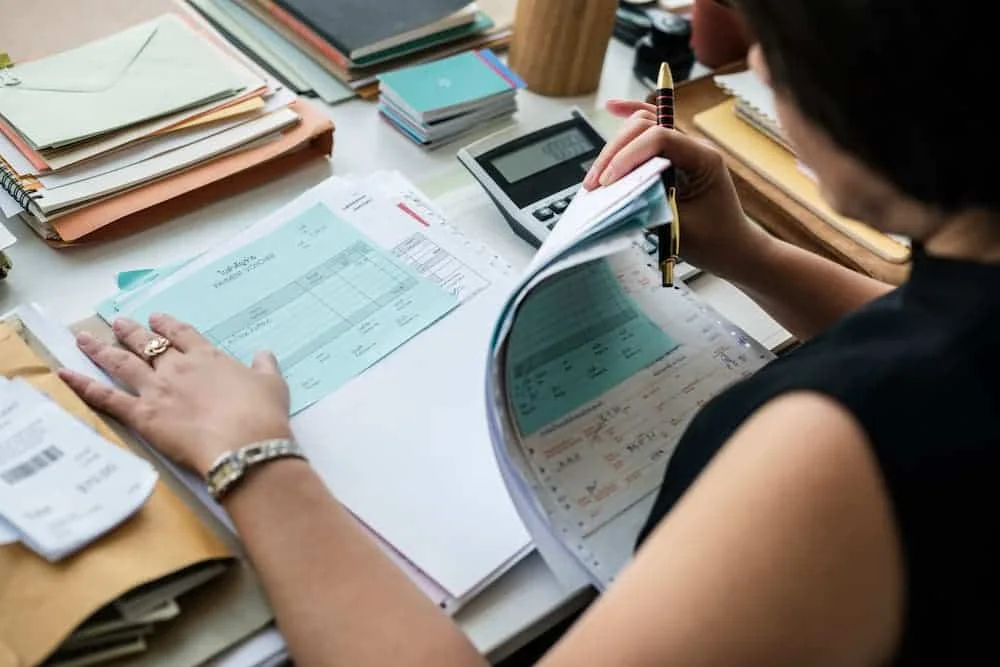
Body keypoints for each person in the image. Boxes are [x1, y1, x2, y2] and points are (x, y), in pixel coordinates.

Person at [60, 0, 997, 663]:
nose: (750, 63)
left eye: (773, 44)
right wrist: (750, 253)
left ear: (877, 81)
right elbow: (942, 330)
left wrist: (255, 460)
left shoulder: (840, 445)